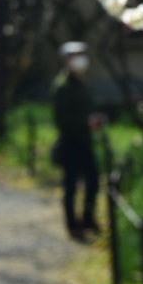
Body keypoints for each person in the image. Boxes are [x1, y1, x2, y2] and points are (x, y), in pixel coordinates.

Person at [52, 41, 102, 240]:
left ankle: (88, 219)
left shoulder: (82, 82)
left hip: (85, 141)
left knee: (93, 182)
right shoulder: (62, 86)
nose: (80, 59)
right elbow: (62, 118)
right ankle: (73, 225)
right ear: (65, 61)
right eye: (75, 56)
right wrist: (85, 123)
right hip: (71, 142)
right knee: (71, 186)